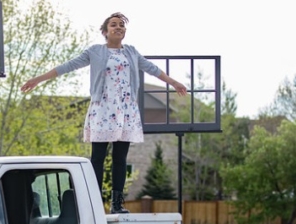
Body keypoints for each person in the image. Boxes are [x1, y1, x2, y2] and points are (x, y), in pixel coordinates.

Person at [20, 12, 187, 213]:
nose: (119, 28)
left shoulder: (131, 52)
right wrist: (37, 79)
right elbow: (68, 66)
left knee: (120, 158)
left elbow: (153, 69)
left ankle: (117, 204)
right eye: (114, 25)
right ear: (105, 31)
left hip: (125, 111)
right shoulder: (95, 51)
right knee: (97, 157)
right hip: (103, 109)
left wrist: (174, 83)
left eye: (122, 25)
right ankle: (95, 203)